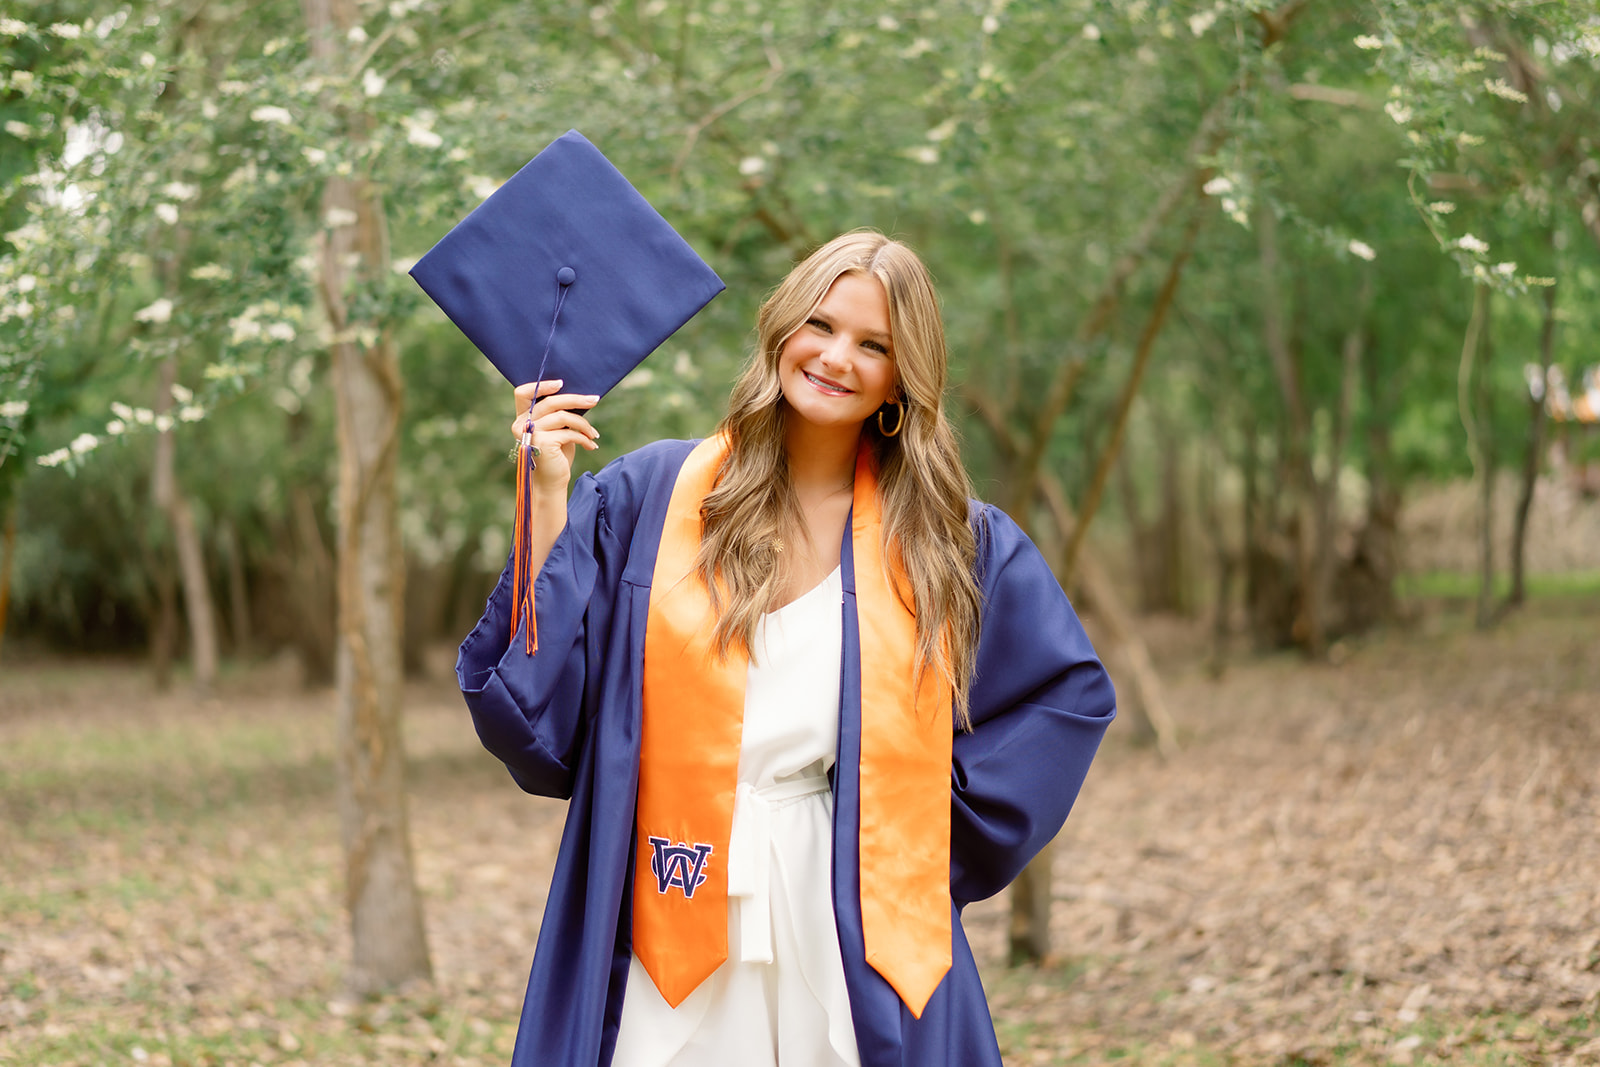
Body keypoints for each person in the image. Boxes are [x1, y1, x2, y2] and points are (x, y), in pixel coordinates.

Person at [457, 230, 1116, 1067]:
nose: (837, 357)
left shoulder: (948, 542)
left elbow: (1065, 698)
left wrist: (915, 825)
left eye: (873, 345)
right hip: (672, 887)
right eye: (822, 325)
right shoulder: (652, 498)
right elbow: (542, 702)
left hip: (842, 901)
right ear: (781, 329)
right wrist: (547, 488)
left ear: (900, 377)